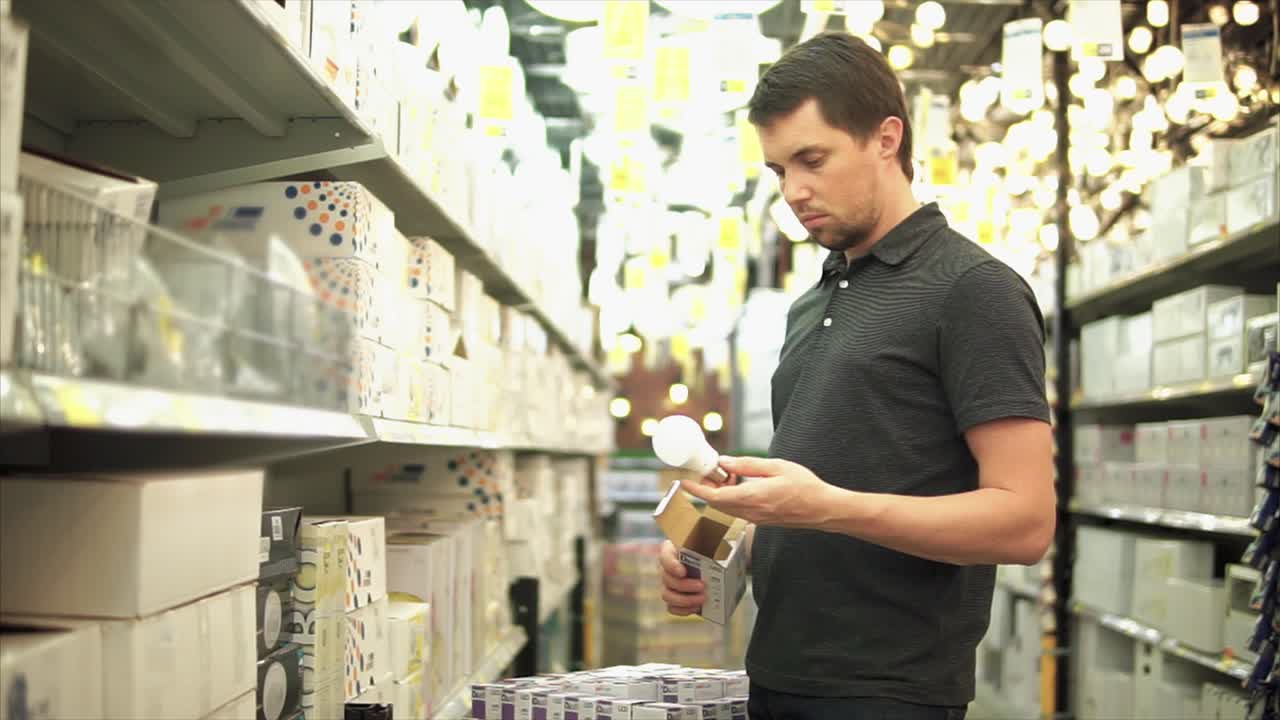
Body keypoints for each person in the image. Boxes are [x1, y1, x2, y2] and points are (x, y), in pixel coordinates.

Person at [658, 31, 1056, 720]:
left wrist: (825, 506)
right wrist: (719, 548)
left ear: (886, 138)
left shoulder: (973, 292)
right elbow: (811, 498)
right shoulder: (811, 304)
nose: (795, 192)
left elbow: (1024, 522)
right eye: (779, 171)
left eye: (813, 159)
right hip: (778, 674)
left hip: (890, 693)